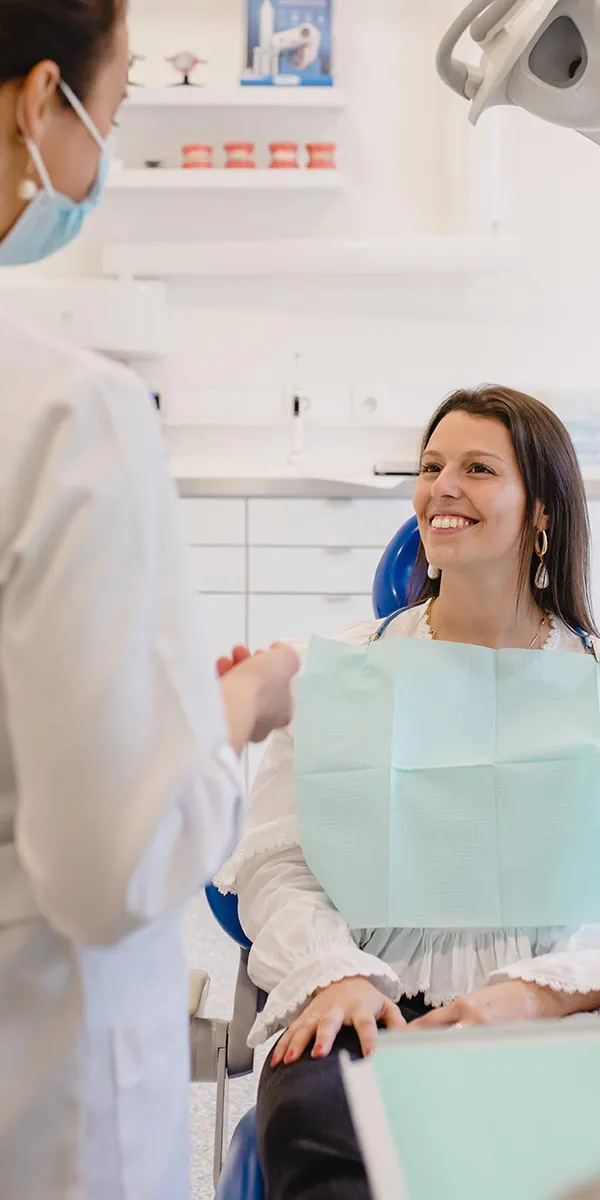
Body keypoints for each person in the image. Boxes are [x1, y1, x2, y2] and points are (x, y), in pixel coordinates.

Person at [0, 3, 299, 1198]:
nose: (101, 153)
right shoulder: (70, 417)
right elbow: (110, 866)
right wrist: (238, 705)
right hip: (42, 1082)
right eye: (110, 113)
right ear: (40, 104)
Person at [217, 385, 600, 1200]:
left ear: (543, 513)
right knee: (322, 1127)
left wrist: (538, 996)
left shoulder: (592, 688)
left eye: (478, 467)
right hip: (372, 1002)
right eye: (431, 467)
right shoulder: (345, 670)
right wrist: (333, 976)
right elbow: (278, 867)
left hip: (567, 1004)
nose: (442, 487)